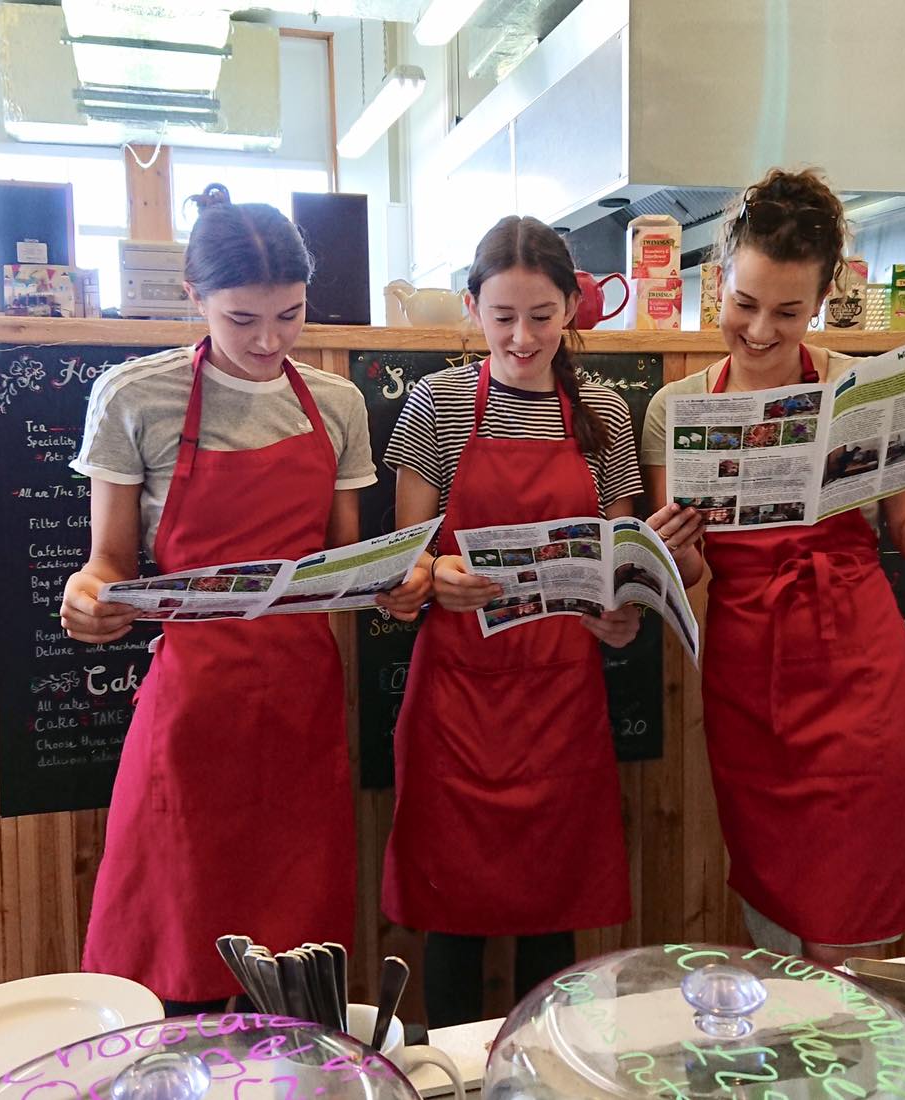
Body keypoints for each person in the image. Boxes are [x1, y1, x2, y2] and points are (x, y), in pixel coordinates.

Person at [60, 184, 426, 1013]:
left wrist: (392, 587)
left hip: (302, 704)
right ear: (194, 297)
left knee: (295, 976)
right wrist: (88, 600)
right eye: (242, 319)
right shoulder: (133, 396)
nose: (268, 341)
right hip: (193, 711)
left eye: (289, 316)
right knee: (177, 957)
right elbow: (107, 563)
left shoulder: (335, 403)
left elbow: (340, 562)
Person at [641, 168, 905, 966]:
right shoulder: (675, 409)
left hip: (858, 673)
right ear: (718, 280)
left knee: (851, 925)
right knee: (775, 917)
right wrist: (675, 547)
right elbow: (689, 575)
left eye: (789, 312)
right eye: (745, 304)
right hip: (747, 678)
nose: (761, 331)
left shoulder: (860, 389)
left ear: (823, 301)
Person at [381, 215, 643, 1027]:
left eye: (541, 315)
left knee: (553, 917)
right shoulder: (438, 404)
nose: (523, 338)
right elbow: (404, 559)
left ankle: (547, 1070)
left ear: (572, 308)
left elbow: (621, 564)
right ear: (472, 309)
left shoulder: (604, 411)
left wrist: (621, 615)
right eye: (502, 317)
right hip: (456, 702)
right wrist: (434, 576)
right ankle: (455, 1074)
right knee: (451, 919)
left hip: (562, 701)